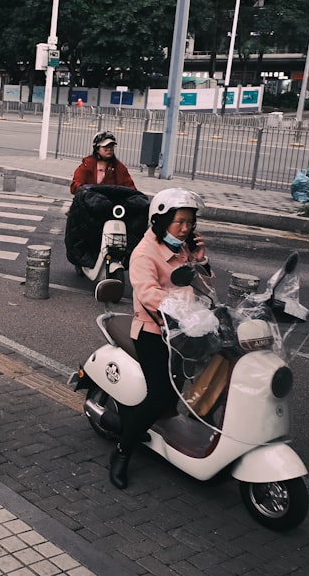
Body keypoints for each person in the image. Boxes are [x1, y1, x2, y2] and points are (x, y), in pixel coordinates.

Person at [109, 187, 210, 490]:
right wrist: (182, 307)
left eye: (190, 223)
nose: (185, 229)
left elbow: (204, 286)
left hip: (185, 330)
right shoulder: (144, 253)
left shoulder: (184, 248)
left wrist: (202, 262)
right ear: (160, 220)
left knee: (179, 391)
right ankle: (123, 450)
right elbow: (149, 295)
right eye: (179, 222)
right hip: (154, 332)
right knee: (159, 396)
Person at [70, 131, 137, 194]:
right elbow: (74, 186)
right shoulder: (87, 165)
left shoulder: (119, 168)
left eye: (111, 146)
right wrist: (87, 191)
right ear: (97, 149)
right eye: (105, 147)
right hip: (89, 203)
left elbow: (131, 189)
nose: (109, 149)